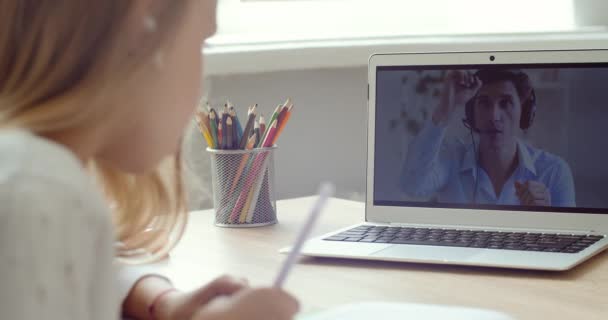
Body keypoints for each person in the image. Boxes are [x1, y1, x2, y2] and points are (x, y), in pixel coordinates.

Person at [0, 1, 299, 319]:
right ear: (146, 26)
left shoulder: (32, 178)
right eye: (201, 41)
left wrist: (168, 305)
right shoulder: (42, 195)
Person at [401, 69, 576, 207]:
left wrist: (547, 216)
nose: (494, 116)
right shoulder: (451, 158)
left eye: (505, 103)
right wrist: (446, 106)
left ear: (524, 111)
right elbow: (412, 185)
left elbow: (569, 241)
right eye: (484, 103)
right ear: (472, 114)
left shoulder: (554, 171)